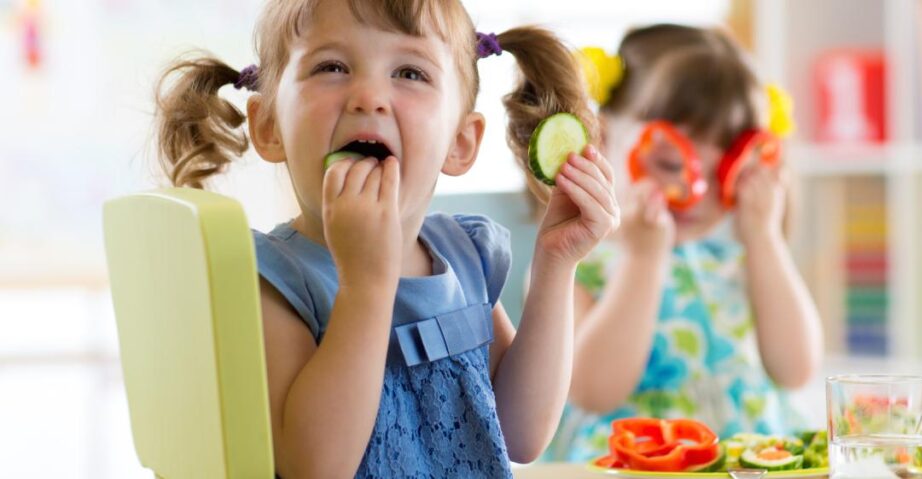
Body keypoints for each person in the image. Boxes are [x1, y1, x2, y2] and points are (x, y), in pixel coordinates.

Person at [153, 1, 619, 477]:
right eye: (331, 67)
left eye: (410, 73)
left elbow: (521, 435)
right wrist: (366, 284)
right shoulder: (270, 279)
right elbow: (315, 467)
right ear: (269, 125)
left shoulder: (464, 257)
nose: (368, 96)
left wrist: (556, 265)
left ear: (460, 142)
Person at [545, 24, 823, 462]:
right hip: (636, 466)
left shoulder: (739, 260)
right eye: (670, 162)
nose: (695, 191)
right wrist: (643, 259)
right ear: (601, 136)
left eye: (724, 174)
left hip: (746, 464)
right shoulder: (574, 260)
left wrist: (765, 239)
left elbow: (796, 370)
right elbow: (592, 390)